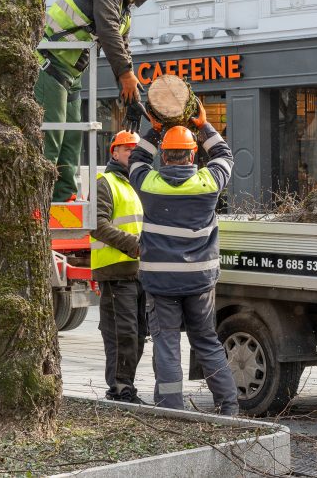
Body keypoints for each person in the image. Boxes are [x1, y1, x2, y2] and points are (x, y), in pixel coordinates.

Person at [127, 102, 239, 415]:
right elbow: (224, 156)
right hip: (200, 280)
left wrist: (155, 129)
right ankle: (228, 407)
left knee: (167, 344)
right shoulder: (207, 183)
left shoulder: (150, 185)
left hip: (161, 281)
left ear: (164, 156)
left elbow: (136, 159)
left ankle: (171, 410)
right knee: (206, 340)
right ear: (192, 155)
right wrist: (205, 127)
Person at [35, 0, 165, 201]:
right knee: (52, 135)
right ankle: (40, 200)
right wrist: (126, 76)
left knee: (72, 136)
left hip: (70, 73)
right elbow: (108, 32)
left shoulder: (124, 10)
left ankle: (64, 196)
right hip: (49, 64)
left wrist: (131, 95)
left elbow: (123, 48)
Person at [90, 130, 146, 404]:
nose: (132, 155)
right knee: (122, 335)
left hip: (138, 272)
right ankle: (120, 390)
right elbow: (97, 225)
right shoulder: (106, 182)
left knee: (136, 335)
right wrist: (133, 245)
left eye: (136, 150)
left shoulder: (139, 182)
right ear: (114, 153)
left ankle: (126, 388)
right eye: (127, 150)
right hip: (116, 271)